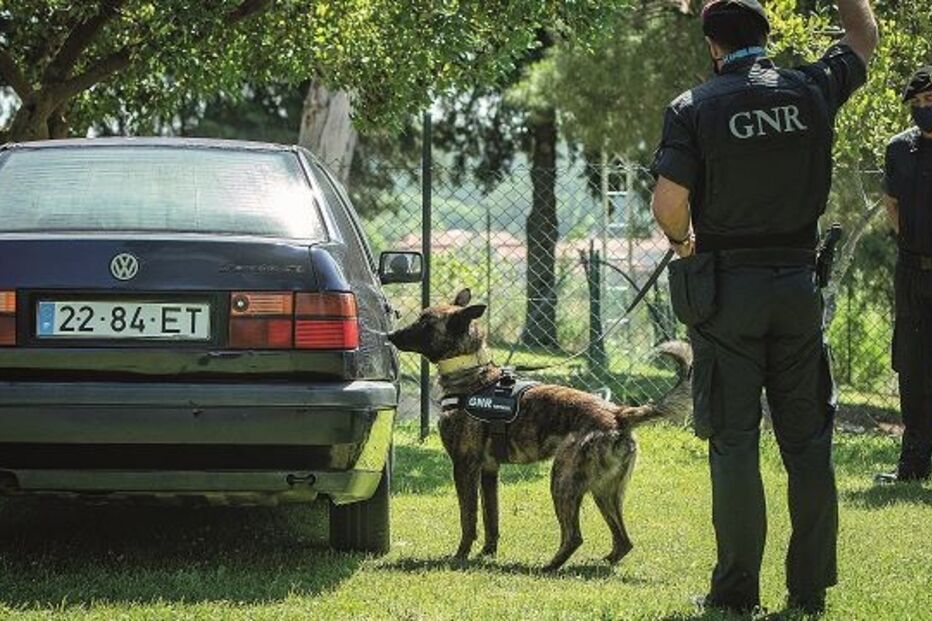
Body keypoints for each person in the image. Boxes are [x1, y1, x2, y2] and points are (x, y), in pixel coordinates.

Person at [649, 0, 877, 614]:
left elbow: (669, 203)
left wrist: (682, 242)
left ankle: (735, 593)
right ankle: (807, 591)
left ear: (712, 46)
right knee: (807, 445)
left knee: (734, 443)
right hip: (799, 287)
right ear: (766, 34)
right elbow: (862, 36)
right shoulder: (811, 88)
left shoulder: (694, 107)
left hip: (729, 295)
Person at [876, 67, 932, 484]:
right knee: (911, 367)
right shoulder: (899, 149)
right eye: (916, 104)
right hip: (912, 271)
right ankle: (912, 465)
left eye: (930, 101)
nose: (923, 109)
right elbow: (891, 205)